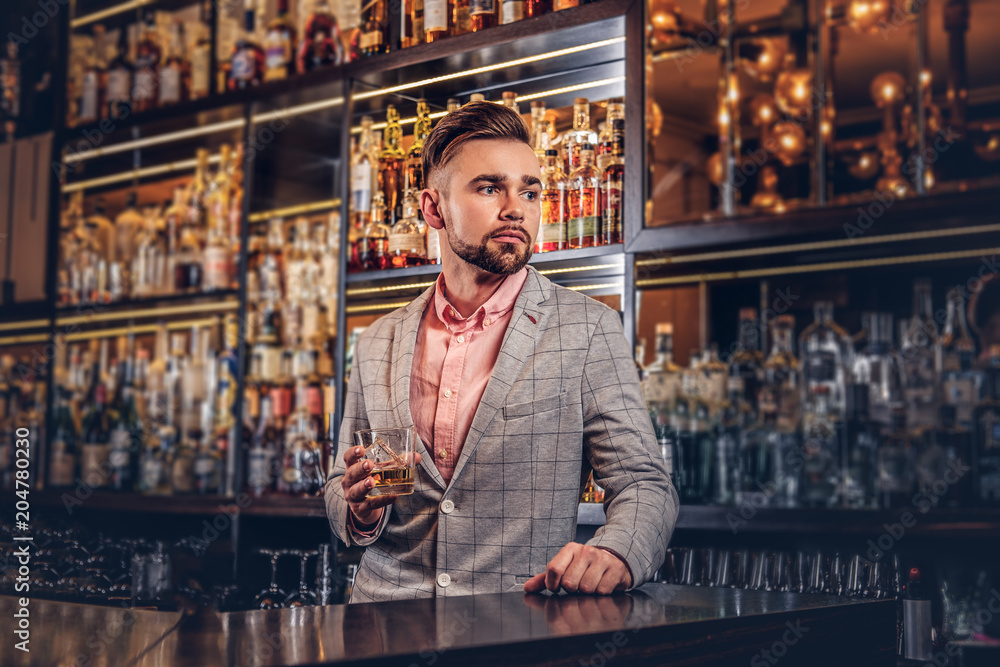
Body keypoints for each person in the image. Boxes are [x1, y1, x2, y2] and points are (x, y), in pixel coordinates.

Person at [325, 101, 678, 602]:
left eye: (530, 191)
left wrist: (617, 553)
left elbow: (645, 483)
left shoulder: (588, 328)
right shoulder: (379, 340)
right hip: (381, 629)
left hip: (518, 628)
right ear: (433, 208)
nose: (516, 207)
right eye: (490, 188)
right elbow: (343, 485)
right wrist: (359, 508)